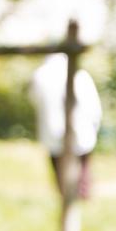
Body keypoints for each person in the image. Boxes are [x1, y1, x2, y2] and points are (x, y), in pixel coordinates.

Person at [29, 54, 102, 199]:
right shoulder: (80, 75)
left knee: (61, 174)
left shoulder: (40, 75)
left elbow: (34, 99)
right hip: (81, 132)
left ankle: (67, 198)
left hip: (53, 133)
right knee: (83, 174)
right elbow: (94, 107)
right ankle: (78, 200)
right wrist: (94, 128)